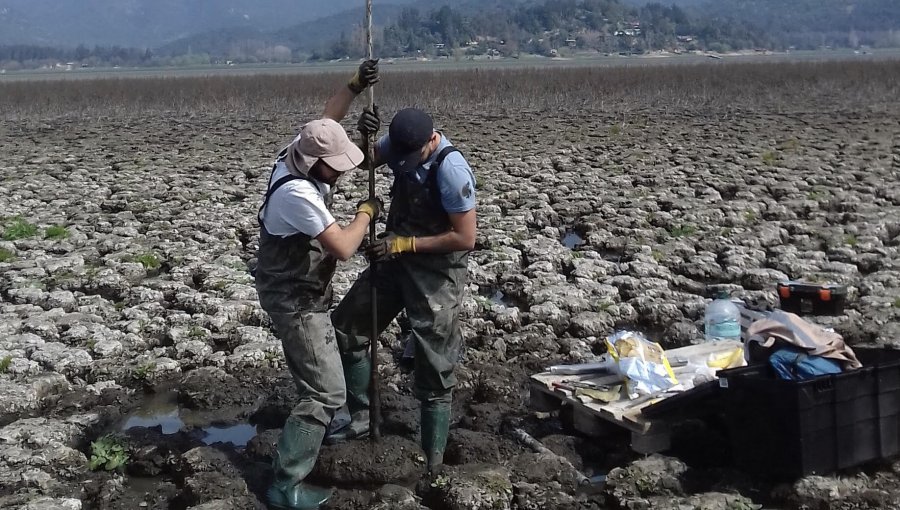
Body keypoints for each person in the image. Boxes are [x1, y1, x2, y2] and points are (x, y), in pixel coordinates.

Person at [254, 60, 382, 510]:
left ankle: (335, 426)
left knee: (322, 381)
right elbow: (343, 247)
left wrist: (355, 84)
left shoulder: (300, 148)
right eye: (335, 167)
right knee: (325, 392)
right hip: (293, 299)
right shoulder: (298, 194)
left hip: (304, 289)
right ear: (314, 166)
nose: (342, 172)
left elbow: (329, 117)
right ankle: (285, 486)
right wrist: (366, 212)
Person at [327, 107, 477, 476]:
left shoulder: (452, 171)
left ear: (431, 140)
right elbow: (366, 162)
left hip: (435, 272)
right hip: (394, 259)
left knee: (434, 362)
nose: (404, 163)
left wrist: (405, 245)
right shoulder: (397, 144)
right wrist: (362, 136)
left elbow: (465, 237)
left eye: (412, 157)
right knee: (347, 328)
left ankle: (433, 458)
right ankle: (361, 416)